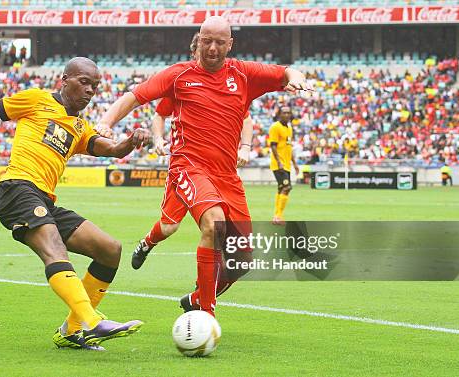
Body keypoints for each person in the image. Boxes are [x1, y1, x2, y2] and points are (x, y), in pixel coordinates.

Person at [0, 57, 148, 351]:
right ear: (64, 80)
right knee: (54, 249)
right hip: (16, 189)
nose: (90, 91)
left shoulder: (80, 127)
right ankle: (91, 322)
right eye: (84, 82)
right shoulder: (36, 99)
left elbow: (112, 149)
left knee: (109, 249)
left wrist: (132, 140)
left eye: (95, 87)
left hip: (44, 199)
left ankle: (71, 331)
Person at [97, 16, 313, 317]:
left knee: (242, 261)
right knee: (209, 224)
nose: (212, 48)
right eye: (206, 41)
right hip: (189, 166)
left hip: (227, 176)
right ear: (197, 40)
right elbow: (135, 97)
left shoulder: (243, 74)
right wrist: (105, 123)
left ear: (230, 44)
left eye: (219, 42)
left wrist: (295, 76)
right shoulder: (178, 76)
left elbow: (285, 70)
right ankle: (206, 314)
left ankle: (198, 297)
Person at [131, 32, 255, 270]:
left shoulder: (229, 84)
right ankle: (146, 244)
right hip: (188, 166)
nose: (207, 54)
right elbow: (160, 114)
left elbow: (246, 118)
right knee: (169, 227)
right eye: (200, 50)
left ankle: (202, 294)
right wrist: (158, 139)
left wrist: (246, 147)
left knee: (220, 231)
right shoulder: (181, 81)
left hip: (217, 170)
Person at [269, 106, 299, 225]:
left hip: (286, 164)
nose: (286, 114)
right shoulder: (275, 127)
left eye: (288, 112)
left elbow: (289, 147)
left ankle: (276, 216)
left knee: (281, 188)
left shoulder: (289, 129)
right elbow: (273, 146)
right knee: (287, 187)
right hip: (278, 164)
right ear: (279, 114)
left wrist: (295, 164)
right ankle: (278, 216)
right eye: (284, 112)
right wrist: (279, 162)